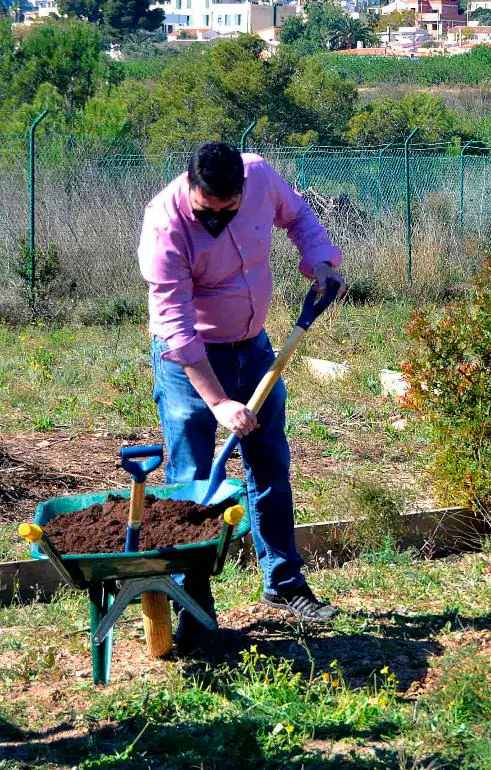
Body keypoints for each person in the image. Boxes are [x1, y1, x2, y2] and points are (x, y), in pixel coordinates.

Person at [138, 141, 345, 655]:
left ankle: (284, 583)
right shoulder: (164, 226)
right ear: (191, 186)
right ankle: (194, 606)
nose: (218, 220)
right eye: (209, 211)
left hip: (253, 349)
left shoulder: (258, 177)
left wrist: (319, 259)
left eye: (229, 210)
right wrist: (217, 402)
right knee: (189, 482)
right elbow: (176, 330)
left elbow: (298, 217)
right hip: (190, 364)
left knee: (270, 463)